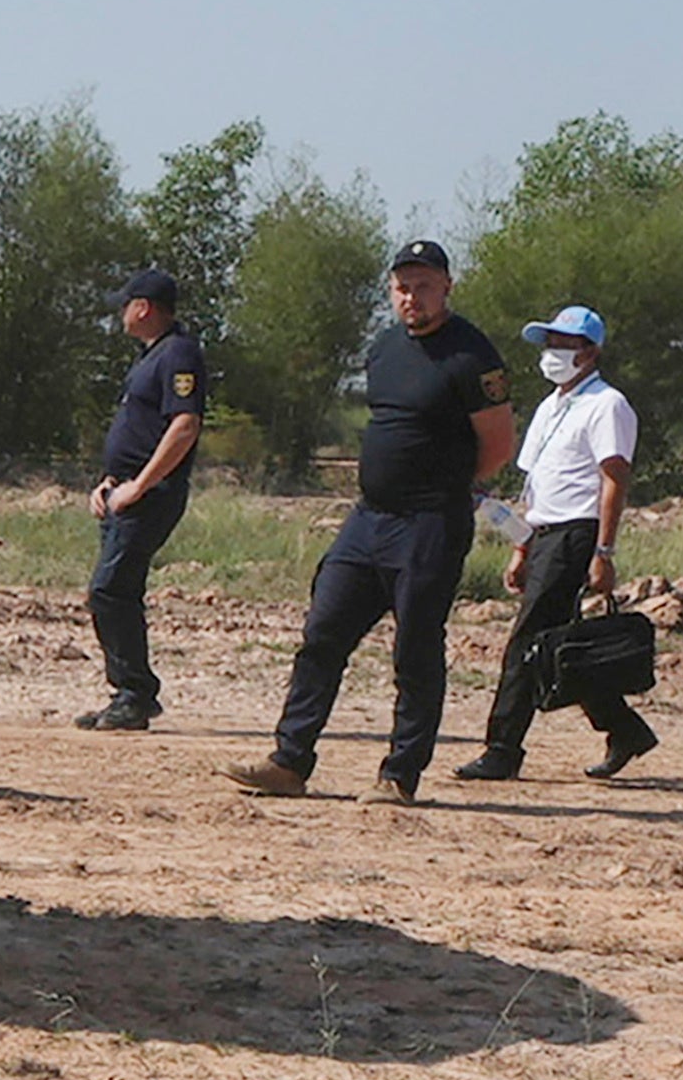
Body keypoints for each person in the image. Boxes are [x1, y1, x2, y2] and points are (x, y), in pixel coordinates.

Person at [236, 244, 512, 806]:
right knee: (323, 635)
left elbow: (498, 445)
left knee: (414, 649)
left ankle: (399, 775)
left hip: (430, 523)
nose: (413, 297)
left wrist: (444, 486)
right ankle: (289, 761)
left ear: (447, 287)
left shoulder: (471, 354)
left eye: (425, 285)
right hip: (369, 520)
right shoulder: (385, 348)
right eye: (403, 286)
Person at [465, 304, 655, 783]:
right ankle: (623, 727)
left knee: (528, 641)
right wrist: (521, 545)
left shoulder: (607, 405)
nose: (552, 354)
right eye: (549, 343)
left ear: (589, 352)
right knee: (559, 646)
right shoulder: (551, 406)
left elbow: (613, 479)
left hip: (575, 533)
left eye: (563, 345)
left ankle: (502, 748)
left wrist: (603, 552)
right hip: (545, 533)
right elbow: (537, 484)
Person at [83, 266, 206, 733]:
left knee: (108, 589)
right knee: (119, 590)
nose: (120, 314)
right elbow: (139, 429)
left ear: (144, 307)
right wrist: (110, 480)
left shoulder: (179, 353)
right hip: (123, 493)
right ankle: (126, 694)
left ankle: (135, 693)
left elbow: (183, 425)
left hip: (149, 496)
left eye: (124, 304)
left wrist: (141, 484)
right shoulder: (149, 358)